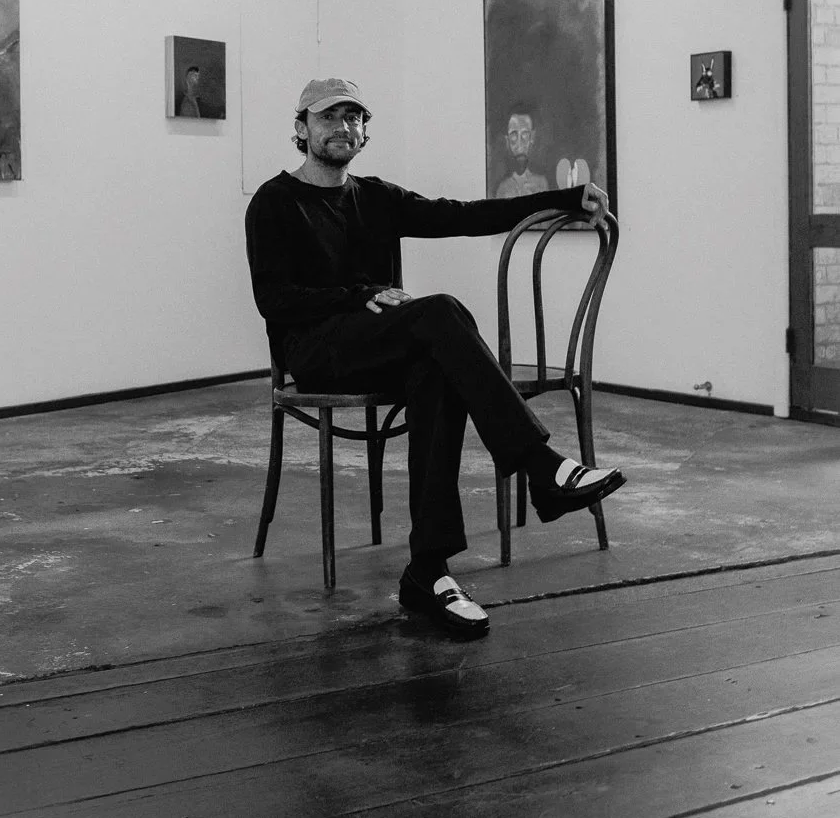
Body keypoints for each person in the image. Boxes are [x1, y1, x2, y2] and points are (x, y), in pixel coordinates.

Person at [245, 77, 626, 640]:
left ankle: (428, 571)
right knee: (441, 311)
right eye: (329, 118)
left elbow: (465, 215)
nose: (343, 128)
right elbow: (272, 300)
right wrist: (356, 296)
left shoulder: (374, 197)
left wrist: (564, 200)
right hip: (319, 349)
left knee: (437, 370)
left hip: (378, 348)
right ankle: (541, 468)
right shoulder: (273, 202)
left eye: (353, 118)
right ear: (301, 129)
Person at [495, 107, 548, 198]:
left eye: (525, 134)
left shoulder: (541, 184)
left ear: (532, 137)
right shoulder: (502, 189)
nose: (520, 142)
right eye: (514, 135)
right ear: (507, 139)